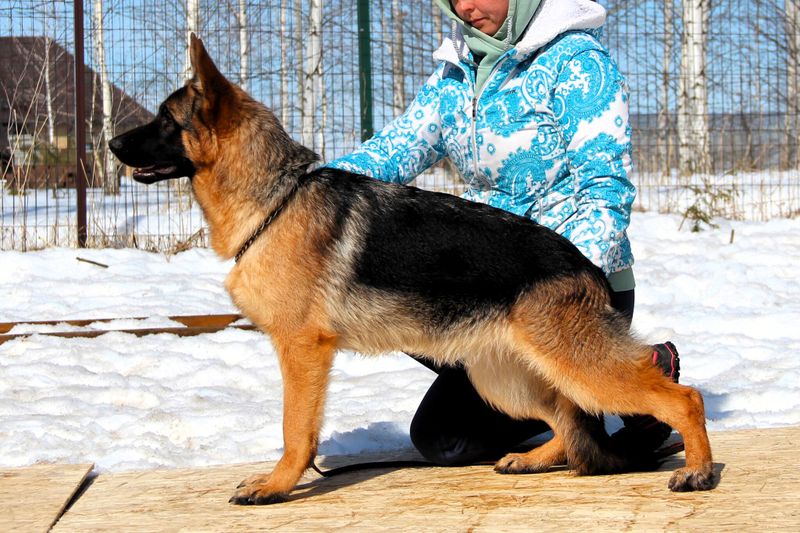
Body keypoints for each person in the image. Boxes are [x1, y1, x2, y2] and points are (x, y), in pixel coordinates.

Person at [325, 0, 680, 466]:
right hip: (489, 289)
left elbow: (605, 188)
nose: (465, 7)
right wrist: (300, 193)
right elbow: (395, 150)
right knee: (445, 440)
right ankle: (572, 414)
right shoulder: (457, 72)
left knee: (495, 419)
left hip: (571, 289)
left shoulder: (577, 62)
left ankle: (641, 369)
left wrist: (565, 290)